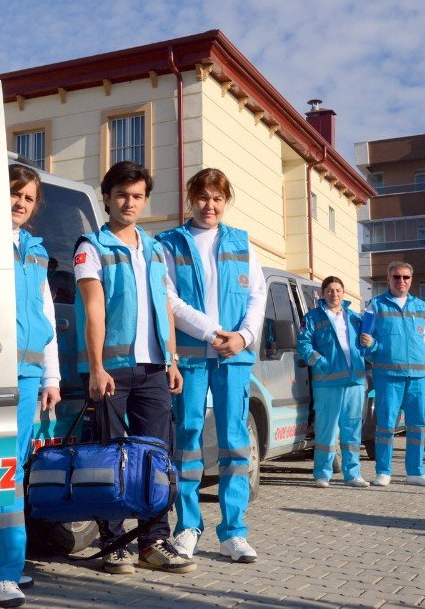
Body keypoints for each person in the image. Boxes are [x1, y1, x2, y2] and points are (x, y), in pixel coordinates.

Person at [73, 160, 194, 575]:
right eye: (122, 194)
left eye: (137, 196)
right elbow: (93, 311)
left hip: (154, 369)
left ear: (145, 200)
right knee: (111, 457)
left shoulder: (156, 248)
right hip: (112, 370)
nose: (129, 202)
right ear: (106, 198)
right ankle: (112, 542)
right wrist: (96, 368)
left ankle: (153, 540)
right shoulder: (91, 246)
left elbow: (165, 308)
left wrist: (173, 360)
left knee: (157, 457)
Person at [0, 164, 62, 608]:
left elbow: (47, 316)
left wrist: (52, 375)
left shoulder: (36, 250)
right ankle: (2, 571)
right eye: (13, 193)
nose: (20, 202)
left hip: (26, 374)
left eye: (28, 197)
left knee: (8, 467)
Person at [156, 168, 265, 564]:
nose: (210, 206)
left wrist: (243, 337)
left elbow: (257, 294)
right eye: (203, 197)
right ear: (191, 198)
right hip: (193, 357)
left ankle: (233, 533)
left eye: (218, 198)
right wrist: (212, 332)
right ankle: (187, 527)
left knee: (235, 441)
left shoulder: (241, 242)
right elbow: (168, 299)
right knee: (187, 440)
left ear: (226, 201)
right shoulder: (169, 243)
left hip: (234, 356)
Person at [359, 262, 425, 487]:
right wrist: (374, 346)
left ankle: (415, 472)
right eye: (396, 277)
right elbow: (364, 341)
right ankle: (384, 471)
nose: (401, 281)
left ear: (411, 280)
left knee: (417, 425)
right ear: (388, 278)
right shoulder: (375, 305)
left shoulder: (420, 306)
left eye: (405, 277)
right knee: (385, 424)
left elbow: (424, 342)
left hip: (418, 376)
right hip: (388, 375)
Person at [297, 276, 369, 489]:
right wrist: (321, 362)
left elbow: (367, 346)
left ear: (343, 293)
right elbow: (303, 344)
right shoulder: (312, 318)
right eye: (330, 290)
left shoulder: (355, 318)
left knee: (352, 429)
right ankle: (322, 473)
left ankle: (353, 474)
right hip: (327, 382)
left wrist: (370, 344)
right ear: (322, 293)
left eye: (338, 290)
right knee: (326, 429)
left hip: (354, 382)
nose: (334, 294)